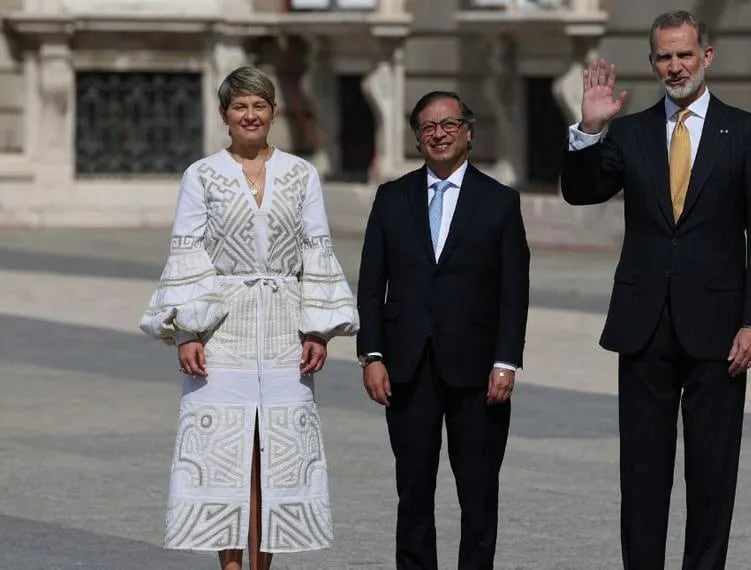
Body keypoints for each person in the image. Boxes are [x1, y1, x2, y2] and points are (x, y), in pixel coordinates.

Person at [560, 10, 751, 570]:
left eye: (685, 54)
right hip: (644, 326)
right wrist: (589, 129)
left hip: (720, 332)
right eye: (664, 56)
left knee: (712, 474)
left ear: (706, 56)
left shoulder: (746, 132)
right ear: (652, 61)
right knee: (642, 474)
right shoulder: (630, 132)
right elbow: (581, 193)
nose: (675, 65)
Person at [139, 66, 358, 570]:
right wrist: (187, 333)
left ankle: (264, 566)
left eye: (259, 105)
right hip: (222, 330)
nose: (250, 114)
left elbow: (316, 248)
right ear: (224, 115)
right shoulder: (202, 174)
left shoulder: (302, 174)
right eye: (240, 106)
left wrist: (318, 328)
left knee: (276, 456)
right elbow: (188, 250)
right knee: (224, 454)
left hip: (284, 328)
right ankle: (230, 567)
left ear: (273, 113)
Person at [356, 91, 530, 570]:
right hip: (406, 367)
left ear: (468, 132)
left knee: (478, 494)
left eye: (449, 124)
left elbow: (515, 290)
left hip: (478, 372)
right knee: (413, 491)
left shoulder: (499, 202)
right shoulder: (392, 198)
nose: (439, 134)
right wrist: (371, 355)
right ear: (417, 138)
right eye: (428, 127)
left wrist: (505, 361)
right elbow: (371, 284)